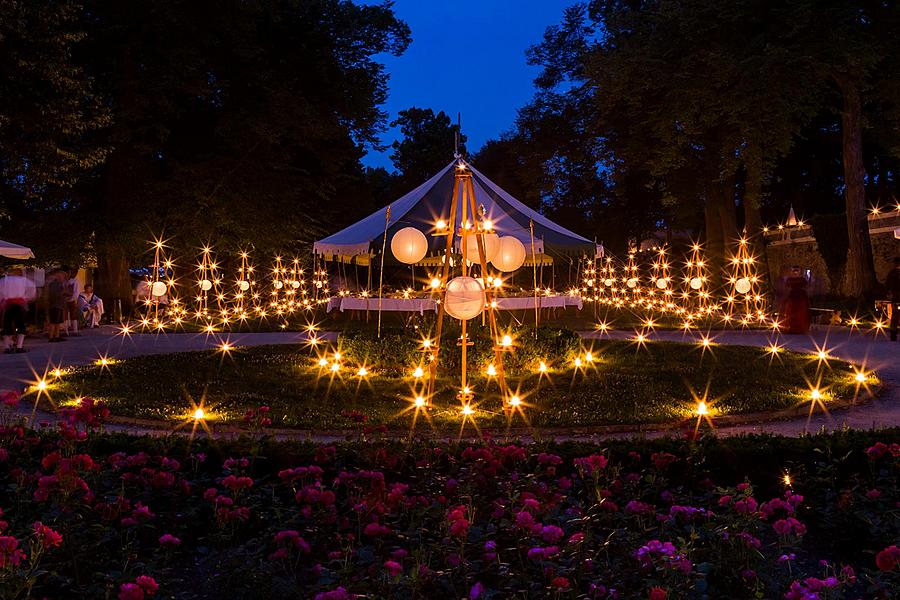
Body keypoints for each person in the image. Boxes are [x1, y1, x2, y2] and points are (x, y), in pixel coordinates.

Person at [0, 267, 36, 353]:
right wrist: (27, 299)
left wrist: (2, 300)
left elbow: (0, 291)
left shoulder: (5, 280)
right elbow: (32, 289)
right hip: (19, 304)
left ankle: (7, 347)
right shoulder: (24, 280)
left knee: (7, 324)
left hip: (8, 304)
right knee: (20, 325)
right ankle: (19, 346)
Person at [782, 266, 810, 334]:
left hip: (800, 297)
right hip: (792, 297)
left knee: (800, 312)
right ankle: (791, 328)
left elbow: (807, 287)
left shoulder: (802, 279)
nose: (795, 272)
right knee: (791, 312)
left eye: (797, 271)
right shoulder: (790, 279)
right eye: (794, 271)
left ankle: (799, 328)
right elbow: (786, 288)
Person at [46, 270, 67, 342]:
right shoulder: (54, 284)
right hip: (55, 305)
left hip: (59, 305)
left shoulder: (60, 284)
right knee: (53, 322)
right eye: (62, 276)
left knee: (58, 322)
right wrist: (63, 293)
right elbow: (53, 295)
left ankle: (57, 336)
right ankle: (51, 337)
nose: (63, 278)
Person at [63, 269, 81, 336]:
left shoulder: (75, 281)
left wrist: (72, 298)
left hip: (72, 300)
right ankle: (66, 331)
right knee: (65, 315)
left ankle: (75, 331)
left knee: (73, 315)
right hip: (65, 299)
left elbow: (76, 291)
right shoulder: (64, 281)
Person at [886, 256, 900, 342]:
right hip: (896, 298)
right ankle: (893, 334)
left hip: (895, 298)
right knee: (895, 316)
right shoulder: (893, 274)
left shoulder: (892, 273)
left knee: (895, 316)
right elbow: (889, 285)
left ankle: (893, 334)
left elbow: (888, 285)